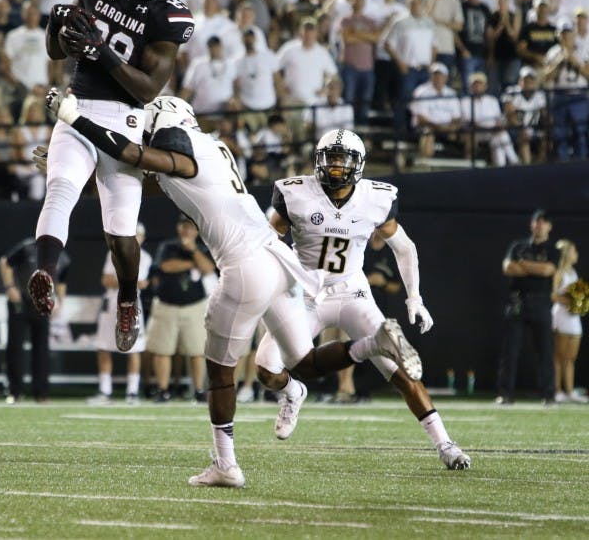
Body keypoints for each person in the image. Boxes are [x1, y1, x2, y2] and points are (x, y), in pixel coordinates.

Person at [45, 90, 423, 488]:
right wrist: (82, 167)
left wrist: (76, 120)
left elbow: (137, 157)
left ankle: (225, 465)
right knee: (305, 362)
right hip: (276, 259)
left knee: (220, 372)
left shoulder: (177, 145)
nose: (142, 134)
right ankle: (372, 344)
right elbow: (145, 174)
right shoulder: (213, 147)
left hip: (246, 266)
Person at [257, 129, 471, 470]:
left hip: (351, 291)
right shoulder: (295, 193)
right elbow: (266, 241)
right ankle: (293, 393)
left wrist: (414, 297)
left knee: (399, 369)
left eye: (342, 160)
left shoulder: (376, 198)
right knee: (266, 370)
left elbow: (405, 247)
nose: (336, 166)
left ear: (358, 164)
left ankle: (445, 444)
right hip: (305, 293)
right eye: (331, 158)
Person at [29, 0, 197, 357]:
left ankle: (127, 297)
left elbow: (146, 90)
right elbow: (56, 53)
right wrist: (55, 26)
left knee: (120, 232)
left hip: (125, 118)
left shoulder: (171, 17)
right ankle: (45, 272)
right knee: (60, 187)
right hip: (78, 105)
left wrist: (102, 51)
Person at [147, 216, 214, 403]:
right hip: (166, 304)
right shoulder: (168, 247)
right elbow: (166, 266)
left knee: (197, 351)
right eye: (184, 226)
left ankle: (199, 390)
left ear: (197, 231)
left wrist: (193, 252)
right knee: (162, 350)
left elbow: (208, 268)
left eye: (191, 227)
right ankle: (163, 389)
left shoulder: (202, 249)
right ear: (179, 228)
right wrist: (192, 263)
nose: (187, 231)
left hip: (194, 306)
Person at [498, 210, 560, 405]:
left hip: (541, 302)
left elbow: (548, 270)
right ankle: (505, 394)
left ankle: (548, 395)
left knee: (545, 350)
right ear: (531, 224)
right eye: (537, 221)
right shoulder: (518, 246)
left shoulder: (553, 250)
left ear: (549, 226)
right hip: (517, 302)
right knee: (511, 350)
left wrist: (523, 264)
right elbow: (508, 268)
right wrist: (535, 268)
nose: (539, 225)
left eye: (543, 222)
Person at [0, 237, 70, 404]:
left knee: (41, 349)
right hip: (21, 301)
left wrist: (60, 302)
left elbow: (61, 282)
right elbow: (5, 262)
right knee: (15, 347)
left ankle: (41, 393)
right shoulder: (27, 247)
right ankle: (15, 391)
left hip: (42, 303)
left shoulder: (63, 257)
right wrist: (10, 287)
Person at [88, 223, 150, 405]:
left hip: (132, 307)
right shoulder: (112, 253)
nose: (135, 238)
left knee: (134, 348)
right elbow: (107, 280)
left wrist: (123, 280)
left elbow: (141, 282)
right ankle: (105, 391)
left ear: (143, 238)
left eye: (138, 235)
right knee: (104, 347)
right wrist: (128, 280)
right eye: (133, 234)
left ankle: (132, 392)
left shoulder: (144, 257)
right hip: (111, 306)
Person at [552, 239, 585, 403]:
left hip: (574, 319)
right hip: (561, 317)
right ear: (566, 254)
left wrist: (580, 302)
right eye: (574, 251)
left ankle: (570, 391)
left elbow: (577, 296)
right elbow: (551, 295)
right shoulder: (559, 273)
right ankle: (557, 391)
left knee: (571, 358)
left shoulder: (573, 273)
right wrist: (568, 302)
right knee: (559, 356)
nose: (576, 254)